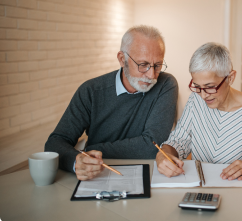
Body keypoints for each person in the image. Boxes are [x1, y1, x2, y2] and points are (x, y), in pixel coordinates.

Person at [45, 25, 178, 181]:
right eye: (143, 65)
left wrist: (92, 149)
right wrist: (77, 161)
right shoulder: (90, 91)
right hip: (98, 175)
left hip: (148, 174)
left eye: (157, 65)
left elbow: (152, 146)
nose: (151, 75)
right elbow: (55, 143)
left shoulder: (166, 84)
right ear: (122, 59)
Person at [156, 42, 242, 181]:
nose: (203, 95)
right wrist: (163, 153)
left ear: (230, 78)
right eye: (197, 86)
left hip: (237, 190)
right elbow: (179, 140)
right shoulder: (196, 99)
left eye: (210, 87)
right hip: (199, 188)